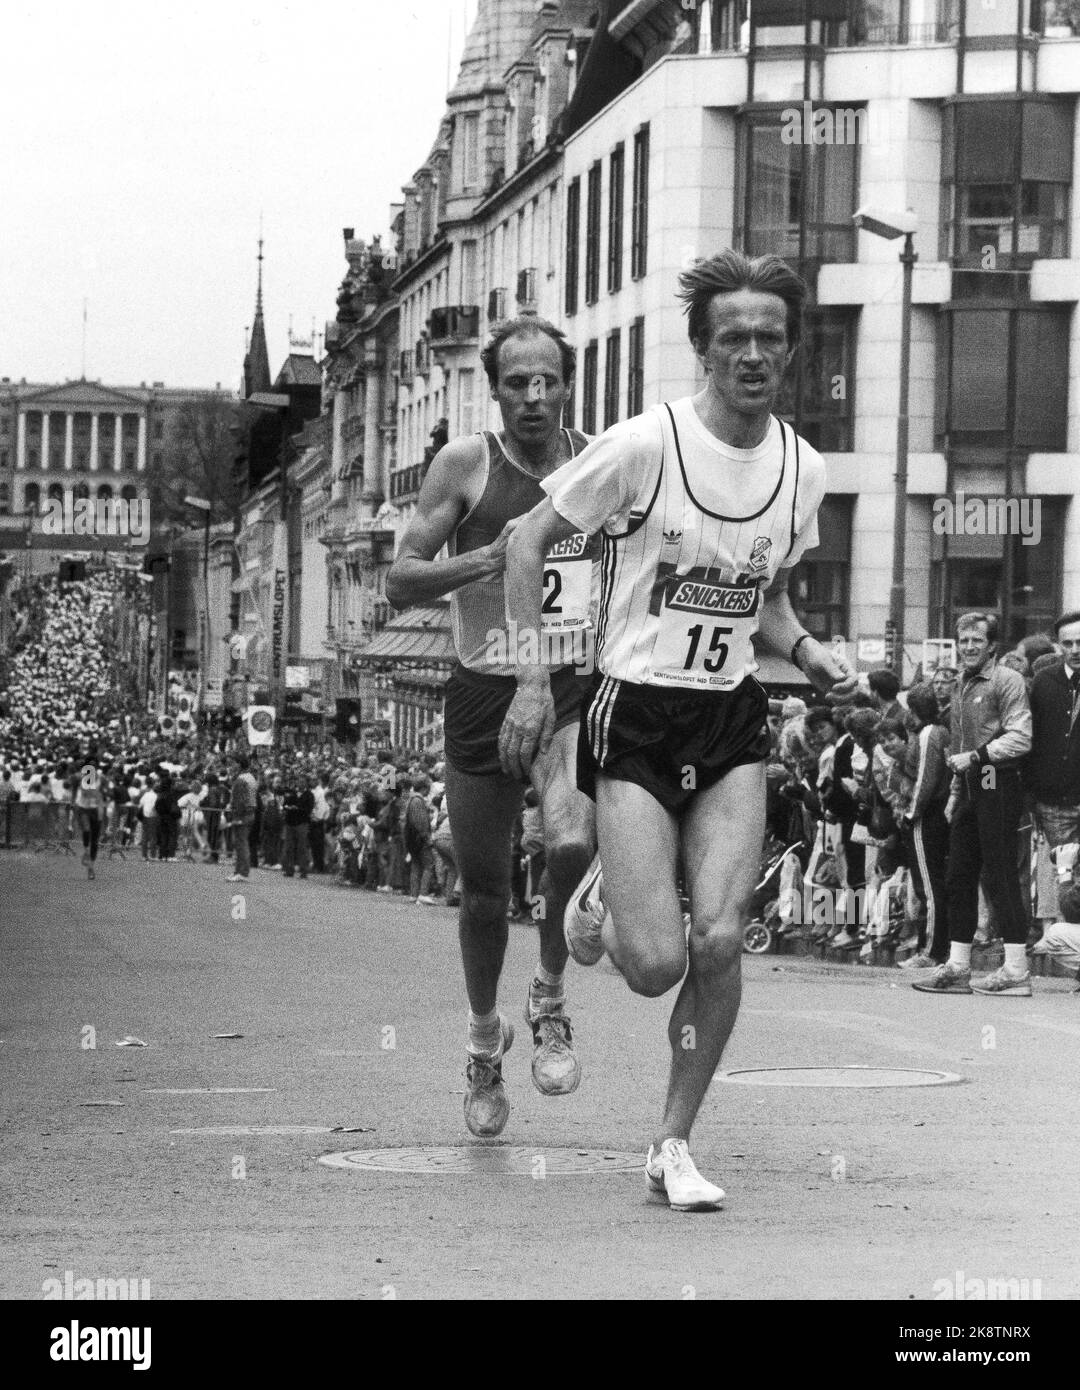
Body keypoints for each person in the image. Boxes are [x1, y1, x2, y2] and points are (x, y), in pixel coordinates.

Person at [499, 250, 855, 1210]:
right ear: (702, 348)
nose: (752, 355)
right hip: (638, 709)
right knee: (654, 966)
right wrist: (534, 682)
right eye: (732, 338)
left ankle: (673, 1143)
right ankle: (610, 894)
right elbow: (528, 541)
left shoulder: (802, 468)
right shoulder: (643, 445)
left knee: (724, 939)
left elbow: (765, 598)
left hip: (733, 717)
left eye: (769, 339)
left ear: (790, 352)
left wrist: (809, 651)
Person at [385, 314, 597, 1139]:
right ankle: (483, 1043)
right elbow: (402, 578)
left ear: (568, 384)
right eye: (518, 382)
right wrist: (496, 556)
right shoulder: (466, 463)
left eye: (548, 381)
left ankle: (548, 999)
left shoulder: (598, 461)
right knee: (482, 892)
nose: (535, 397)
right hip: (483, 686)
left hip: (571, 684)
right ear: (495, 387)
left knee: (573, 842)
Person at [913, 613, 1033, 997]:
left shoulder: (1007, 680)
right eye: (963, 641)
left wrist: (978, 759)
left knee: (998, 875)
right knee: (958, 876)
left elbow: (1021, 736)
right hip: (970, 785)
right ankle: (958, 967)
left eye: (976, 642)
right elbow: (959, 748)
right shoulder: (961, 683)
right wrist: (953, 795)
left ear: (991, 645)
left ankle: (1016, 970)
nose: (968, 648)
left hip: (997, 780)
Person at [1025, 610, 1080, 915]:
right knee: (1066, 885)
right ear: (1059, 646)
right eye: (1067, 643)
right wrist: (1031, 793)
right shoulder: (1044, 682)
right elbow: (1028, 741)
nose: (1075, 650)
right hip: (1055, 805)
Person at [896, 684, 951, 969]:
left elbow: (925, 780)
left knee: (928, 886)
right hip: (937, 814)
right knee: (933, 884)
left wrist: (911, 813)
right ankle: (935, 949)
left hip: (926, 815)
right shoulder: (940, 732)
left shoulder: (930, 734)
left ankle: (930, 951)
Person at [74, 753, 105, 880]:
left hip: (96, 809)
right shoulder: (81, 777)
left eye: (94, 765)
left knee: (95, 841)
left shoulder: (101, 778)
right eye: (90, 765)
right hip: (84, 808)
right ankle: (86, 851)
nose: (92, 767)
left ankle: (91, 867)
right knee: (86, 830)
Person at [227, 756, 258, 882]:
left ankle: (242, 872)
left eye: (234, 763)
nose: (233, 766)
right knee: (242, 843)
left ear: (239, 765)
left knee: (241, 844)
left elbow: (240, 800)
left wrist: (237, 816)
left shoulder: (240, 780)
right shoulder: (251, 777)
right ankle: (238, 871)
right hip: (250, 813)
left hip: (243, 814)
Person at [281, 773, 313, 879]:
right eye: (299, 781)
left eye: (303, 782)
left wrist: (297, 809)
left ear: (306, 783)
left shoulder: (309, 795)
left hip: (302, 823)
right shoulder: (291, 793)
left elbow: (308, 809)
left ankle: (304, 871)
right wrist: (287, 807)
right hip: (290, 823)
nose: (300, 783)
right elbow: (284, 804)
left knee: (302, 848)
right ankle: (289, 870)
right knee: (289, 847)